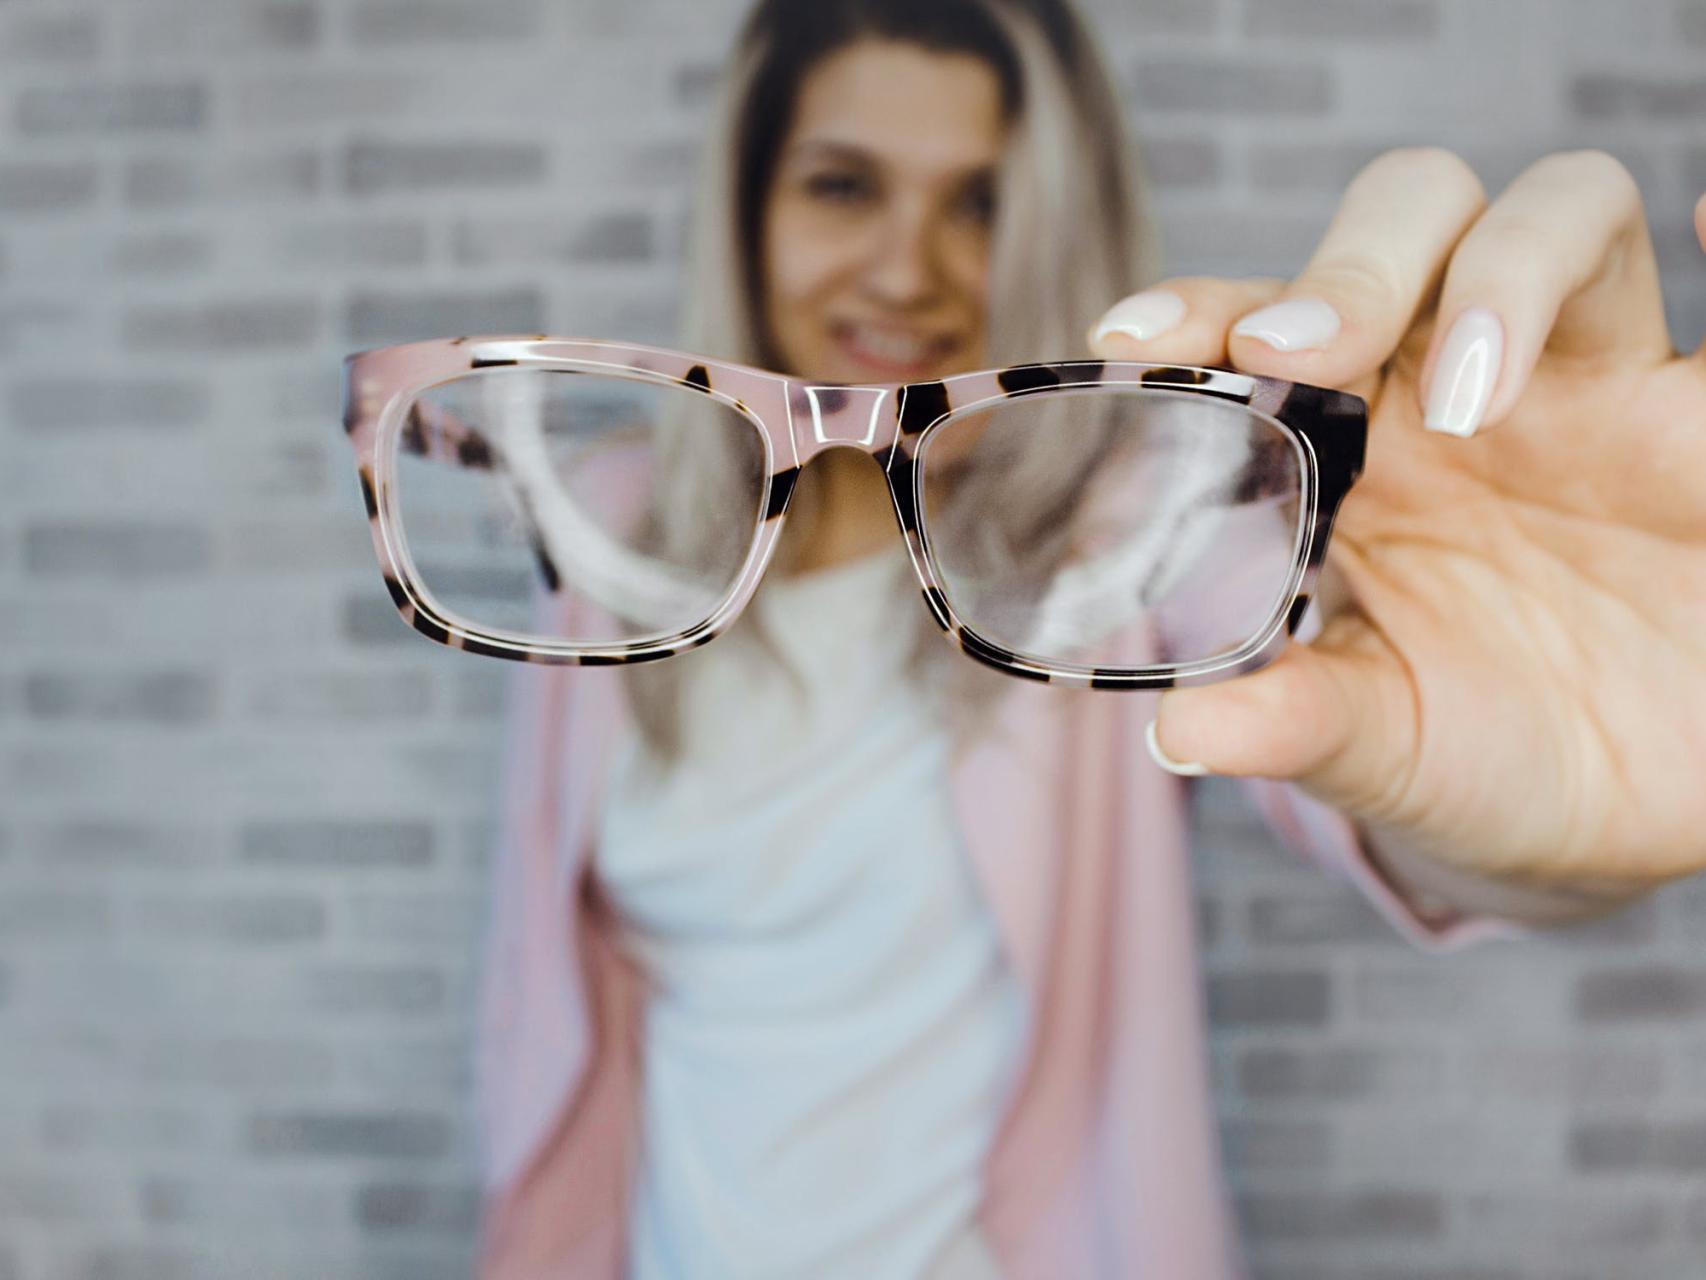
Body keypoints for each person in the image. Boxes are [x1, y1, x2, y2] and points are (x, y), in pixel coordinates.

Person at [472, 0, 1706, 1276]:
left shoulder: (1124, 523)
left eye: (981, 203)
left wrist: (1588, 762)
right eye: (843, 187)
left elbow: (1395, 777)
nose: (905, 270)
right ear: (744, 207)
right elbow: (551, 1023)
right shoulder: (613, 526)